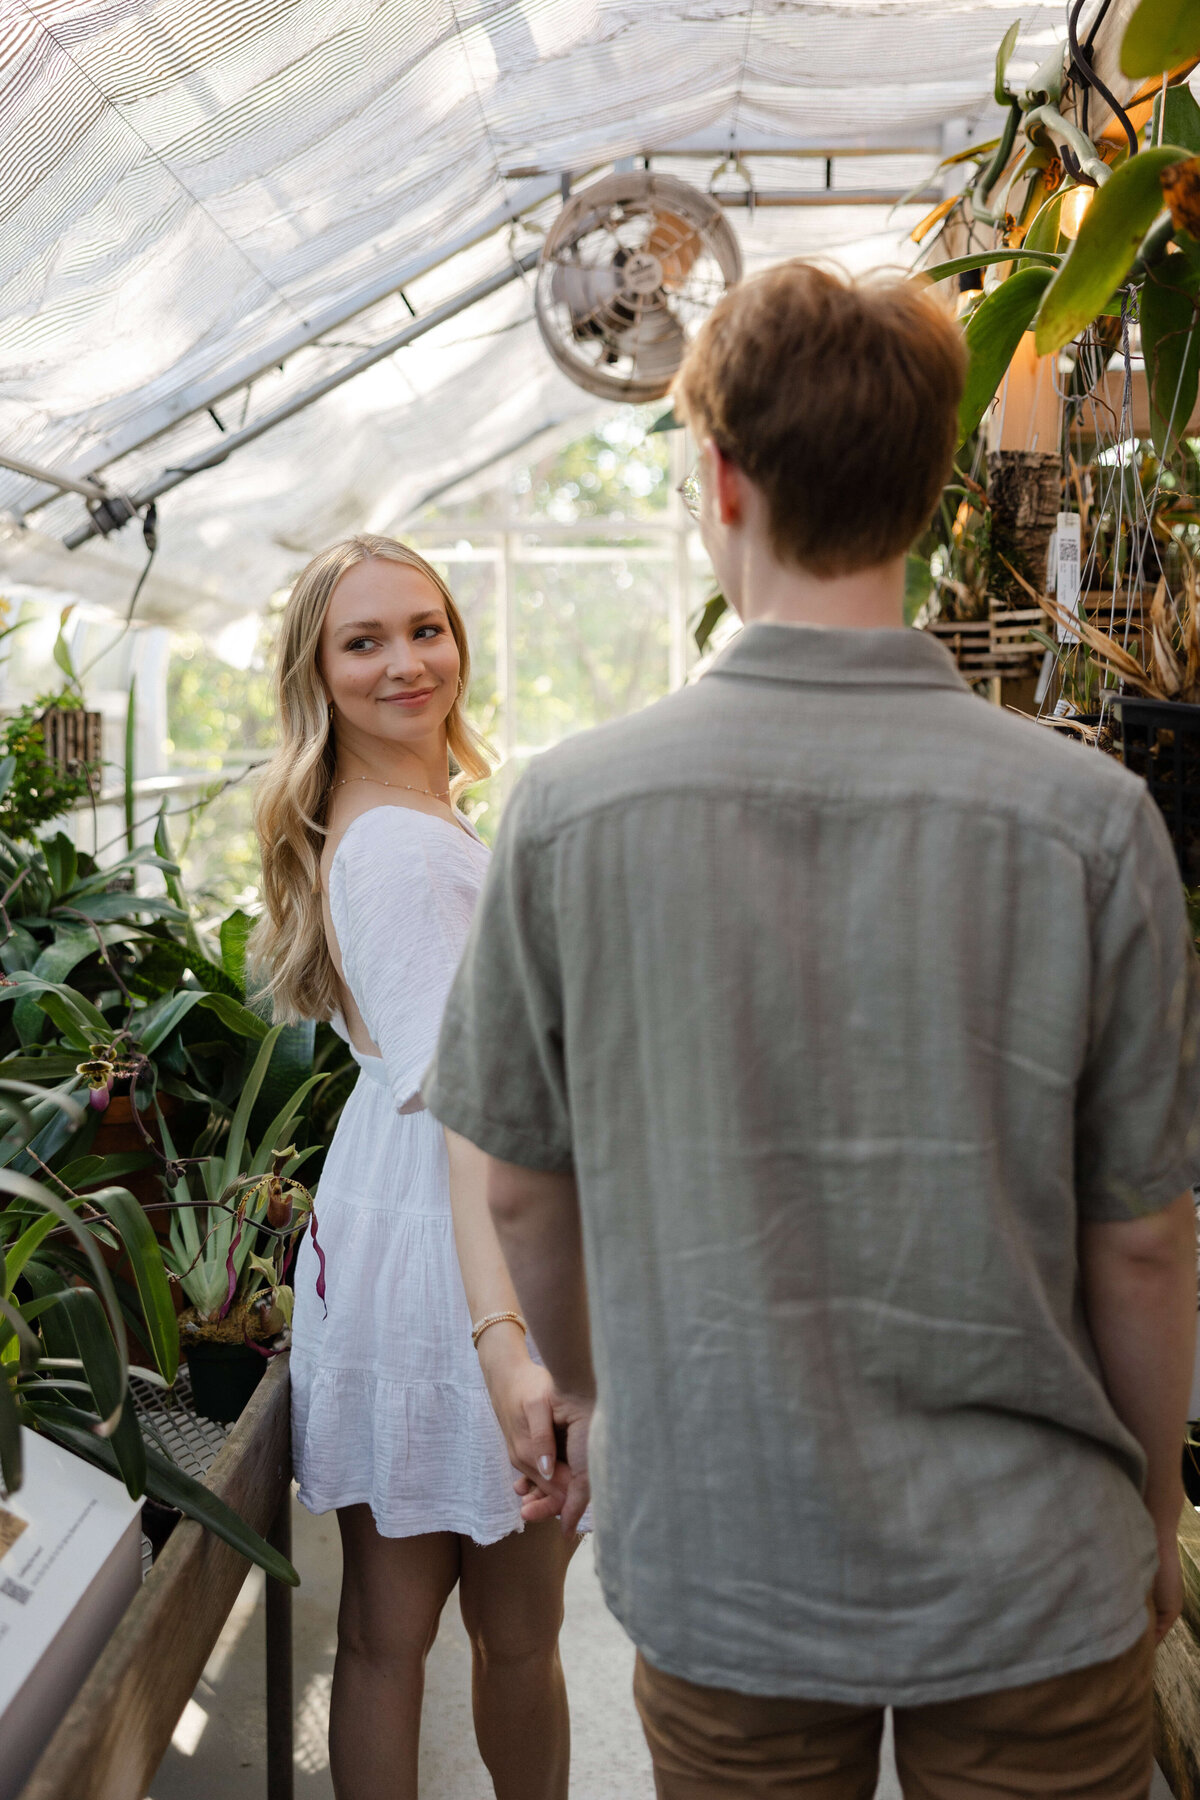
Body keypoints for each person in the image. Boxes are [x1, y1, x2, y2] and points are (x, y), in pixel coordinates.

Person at [424, 263, 1200, 1798]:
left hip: (729, 1560)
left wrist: (575, 1396)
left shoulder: (573, 812)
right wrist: (1153, 1511)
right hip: (1038, 1573)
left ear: (718, 477)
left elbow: (519, 1186)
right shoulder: (1092, 819)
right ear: (931, 491)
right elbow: (1145, 1243)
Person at [250, 535, 576, 1800]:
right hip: (455, 1246)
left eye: (425, 629)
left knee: (477, 1633)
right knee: (434, 1636)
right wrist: (509, 1327)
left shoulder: (415, 816)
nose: (405, 662)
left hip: (429, 1229)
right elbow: (467, 1103)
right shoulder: (395, 846)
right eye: (364, 641)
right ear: (318, 676)